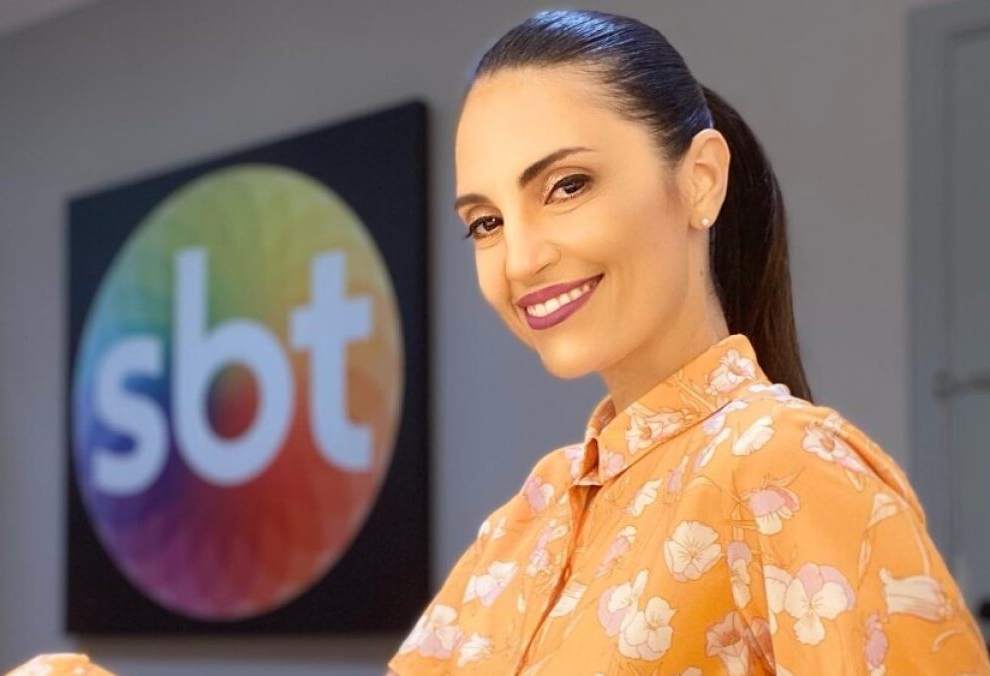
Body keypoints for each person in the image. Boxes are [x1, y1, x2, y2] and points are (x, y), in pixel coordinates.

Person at [387, 9, 990, 675]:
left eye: (566, 187)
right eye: (486, 222)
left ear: (700, 179)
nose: (521, 259)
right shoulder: (527, 517)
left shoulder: (791, 468)